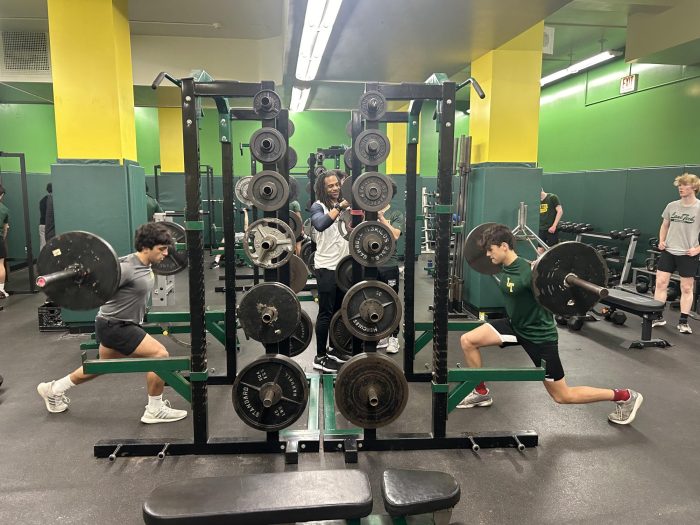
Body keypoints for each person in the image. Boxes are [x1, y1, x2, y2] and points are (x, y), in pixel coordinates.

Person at [457, 224, 643, 425]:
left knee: (563, 396)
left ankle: (625, 396)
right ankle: (481, 391)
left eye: (490, 250)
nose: (487, 255)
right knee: (468, 340)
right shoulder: (504, 267)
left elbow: (555, 295)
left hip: (539, 336)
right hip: (516, 325)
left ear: (504, 246)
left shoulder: (530, 272)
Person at [37, 222, 188, 424]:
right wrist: (80, 277)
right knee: (160, 356)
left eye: (166, 249)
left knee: (101, 366)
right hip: (116, 326)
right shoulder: (125, 268)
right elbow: (99, 288)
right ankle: (155, 409)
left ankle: (54, 389)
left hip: (115, 323)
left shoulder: (145, 264)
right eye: (161, 249)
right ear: (145, 247)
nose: (165, 253)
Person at [309, 169, 350, 373]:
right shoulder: (319, 206)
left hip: (344, 268)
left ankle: (334, 349)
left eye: (337, 184)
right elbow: (321, 224)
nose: (335, 188)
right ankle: (320, 356)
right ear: (322, 188)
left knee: (339, 311)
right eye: (330, 186)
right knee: (325, 312)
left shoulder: (347, 206)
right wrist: (340, 206)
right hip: (326, 267)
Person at [652, 173, 700, 334]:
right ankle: (657, 316)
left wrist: (698, 249)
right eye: (679, 185)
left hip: (688, 254)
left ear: (694, 187)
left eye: (684, 185)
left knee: (686, 288)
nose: (680, 187)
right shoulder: (672, 206)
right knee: (660, 284)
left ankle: (683, 321)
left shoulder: (699, 208)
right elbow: (664, 225)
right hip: (669, 251)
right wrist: (662, 240)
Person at [376, 179, 403, 354]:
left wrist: (381, 217)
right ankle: (380, 334)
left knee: (391, 302)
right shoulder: (367, 211)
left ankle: (393, 338)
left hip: (389, 264)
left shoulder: (396, 213)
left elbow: (394, 236)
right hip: (370, 264)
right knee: (374, 300)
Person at [537, 188, 563, 254]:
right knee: (540, 249)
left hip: (551, 229)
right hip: (540, 229)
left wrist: (554, 226)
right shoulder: (536, 200)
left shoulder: (552, 197)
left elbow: (560, 211)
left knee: (553, 249)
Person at [0, 185, 10, 299]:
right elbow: (5, 229)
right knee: (0, 264)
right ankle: (1, 290)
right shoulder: (4, 209)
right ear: (1, 195)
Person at [38, 183, 53, 250]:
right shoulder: (53, 200)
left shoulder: (42, 200)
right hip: (50, 225)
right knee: (54, 244)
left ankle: (43, 260)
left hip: (42, 225)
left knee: (43, 245)